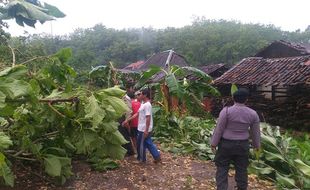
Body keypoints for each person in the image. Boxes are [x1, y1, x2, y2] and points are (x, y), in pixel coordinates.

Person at [210, 88, 261, 190]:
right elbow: (256, 133)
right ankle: (242, 188)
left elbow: (219, 129)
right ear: (246, 99)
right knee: (242, 169)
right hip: (243, 145)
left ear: (233, 98)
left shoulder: (226, 111)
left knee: (222, 168)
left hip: (226, 145)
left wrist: (214, 143)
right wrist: (257, 146)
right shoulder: (253, 114)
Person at [123, 89, 161, 163]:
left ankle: (141, 159)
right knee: (148, 143)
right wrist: (127, 120)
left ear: (145, 95)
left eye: (140, 94)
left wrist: (146, 130)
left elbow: (148, 117)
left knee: (141, 144)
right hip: (142, 128)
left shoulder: (147, 105)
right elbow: (136, 114)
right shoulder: (143, 104)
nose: (139, 95)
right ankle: (157, 156)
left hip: (144, 129)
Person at [118, 83, 135, 156]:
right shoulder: (121, 97)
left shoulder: (126, 98)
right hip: (121, 118)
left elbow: (129, 110)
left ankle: (130, 151)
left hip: (125, 118)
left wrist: (127, 121)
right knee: (122, 134)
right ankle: (126, 150)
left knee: (125, 135)